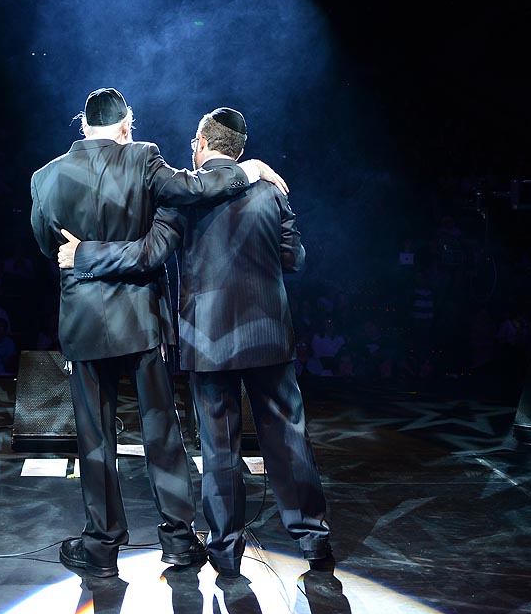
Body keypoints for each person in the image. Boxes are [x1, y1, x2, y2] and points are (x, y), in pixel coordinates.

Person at [57, 105, 332, 579]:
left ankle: (225, 551)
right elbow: (295, 258)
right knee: (287, 437)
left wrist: (85, 253)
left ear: (201, 144)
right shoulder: (271, 190)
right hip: (268, 338)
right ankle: (313, 540)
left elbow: (148, 255)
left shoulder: (183, 199)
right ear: (238, 152)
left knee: (219, 447)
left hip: (209, 342)